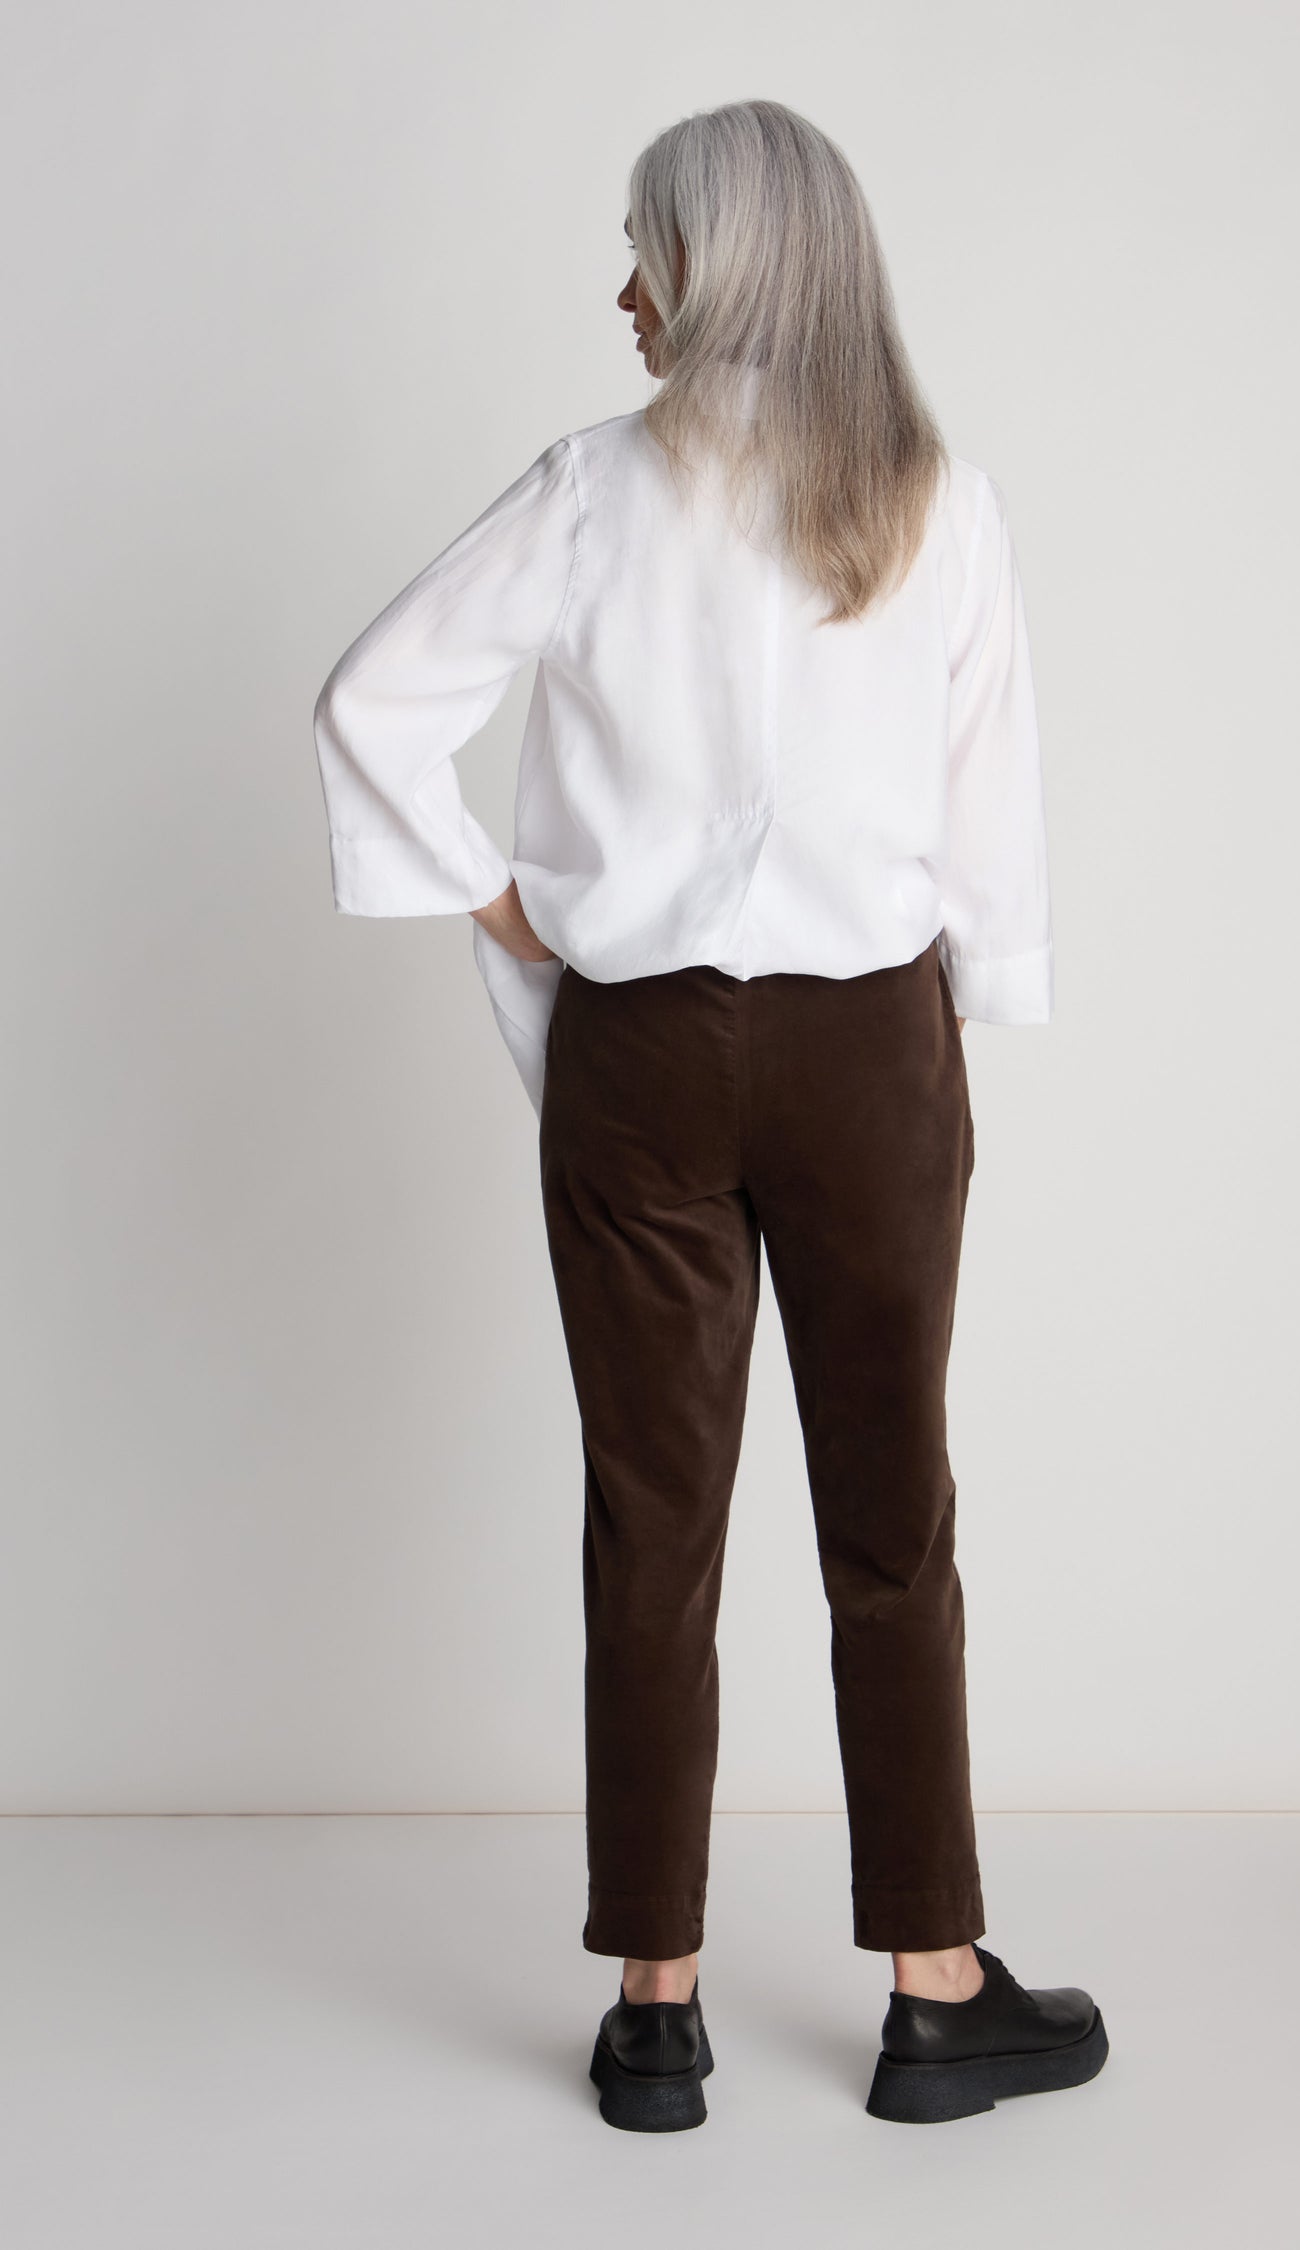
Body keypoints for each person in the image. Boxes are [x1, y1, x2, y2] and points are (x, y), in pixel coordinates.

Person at [312, 97, 1107, 2132]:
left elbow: (370, 702)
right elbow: (987, 827)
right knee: (891, 1521)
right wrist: (964, 1032)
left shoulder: (593, 487)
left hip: (641, 1058)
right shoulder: (934, 493)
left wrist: (515, 913)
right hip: (868, 1057)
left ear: (717, 267)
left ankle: (653, 2009)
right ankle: (936, 1988)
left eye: (646, 247)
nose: (624, 287)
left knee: (650, 1523)